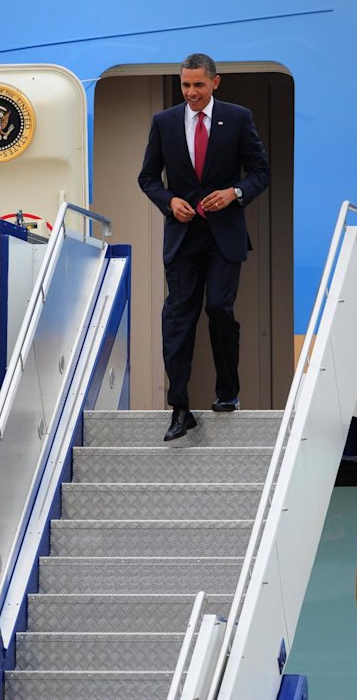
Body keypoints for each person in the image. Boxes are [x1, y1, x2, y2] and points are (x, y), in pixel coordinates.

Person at [138, 53, 270, 442]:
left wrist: (236, 192)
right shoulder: (164, 123)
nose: (191, 92)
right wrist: (168, 201)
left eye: (198, 85)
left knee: (218, 308)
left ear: (215, 82)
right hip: (182, 236)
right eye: (185, 85)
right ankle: (180, 408)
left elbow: (261, 172)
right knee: (178, 317)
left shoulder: (239, 117)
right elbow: (147, 177)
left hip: (224, 236)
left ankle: (227, 392)